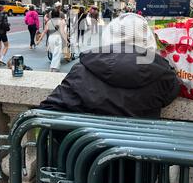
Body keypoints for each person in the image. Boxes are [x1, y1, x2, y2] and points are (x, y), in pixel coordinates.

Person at [39, 13, 181, 118]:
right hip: (138, 154)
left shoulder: (82, 70)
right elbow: (172, 92)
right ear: (148, 39)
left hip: (89, 154)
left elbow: (48, 110)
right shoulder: (163, 75)